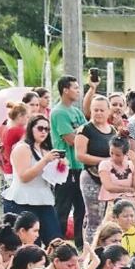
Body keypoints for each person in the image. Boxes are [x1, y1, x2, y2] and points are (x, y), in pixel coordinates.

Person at [7, 114, 64, 245]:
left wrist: (60, 166)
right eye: (40, 128)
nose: (44, 132)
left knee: (55, 241)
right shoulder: (22, 148)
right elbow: (24, 177)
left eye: (47, 129)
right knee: (30, 244)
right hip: (24, 200)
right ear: (30, 128)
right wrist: (45, 161)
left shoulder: (45, 149)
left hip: (44, 199)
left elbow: (51, 177)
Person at [51, 75, 88, 248]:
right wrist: (81, 136)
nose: (78, 91)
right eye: (75, 87)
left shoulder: (77, 112)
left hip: (80, 167)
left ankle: (80, 243)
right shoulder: (59, 112)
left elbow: (87, 134)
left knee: (82, 207)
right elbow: (70, 138)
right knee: (63, 207)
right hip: (66, 166)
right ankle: (57, 244)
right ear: (65, 90)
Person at [75, 94, 117, 242]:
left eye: (101, 110)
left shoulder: (112, 130)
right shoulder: (85, 130)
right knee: (94, 217)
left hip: (109, 178)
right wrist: (104, 161)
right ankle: (89, 249)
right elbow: (80, 155)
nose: (98, 113)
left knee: (109, 215)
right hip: (91, 177)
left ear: (108, 111)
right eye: (95, 110)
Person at [0, 101, 29, 215]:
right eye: (27, 117)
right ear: (20, 116)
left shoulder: (8, 129)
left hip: (8, 169)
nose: (28, 120)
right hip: (14, 170)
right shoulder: (19, 130)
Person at [98, 136, 135, 210]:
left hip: (131, 203)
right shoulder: (105, 164)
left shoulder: (131, 164)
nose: (114, 157)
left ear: (126, 154)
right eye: (111, 153)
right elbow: (109, 187)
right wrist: (129, 189)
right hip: (112, 203)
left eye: (118, 155)